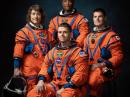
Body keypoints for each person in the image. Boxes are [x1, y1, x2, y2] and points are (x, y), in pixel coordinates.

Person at [27, 23, 89, 97]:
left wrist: (64, 88)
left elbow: (81, 74)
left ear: (71, 34)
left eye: (65, 32)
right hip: (55, 85)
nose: (62, 34)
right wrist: (41, 80)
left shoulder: (79, 53)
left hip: (71, 87)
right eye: (60, 32)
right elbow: (45, 66)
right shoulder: (53, 52)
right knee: (33, 93)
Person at [83, 8, 124, 97]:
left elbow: (119, 56)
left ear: (105, 18)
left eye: (100, 16)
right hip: (90, 67)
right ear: (93, 18)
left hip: (104, 68)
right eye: (95, 17)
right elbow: (84, 55)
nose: (97, 19)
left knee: (93, 81)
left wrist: (101, 65)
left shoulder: (112, 36)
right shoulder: (88, 36)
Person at [13, 4, 51, 92]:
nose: (36, 16)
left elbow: (53, 52)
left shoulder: (48, 34)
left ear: (42, 16)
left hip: (44, 69)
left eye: (38, 14)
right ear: (29, 16)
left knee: (44, 92)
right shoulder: (23, 32)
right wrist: (16, 68)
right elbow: (18, 52)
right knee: (30, 92)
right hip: (30, 69)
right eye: (33, 14)